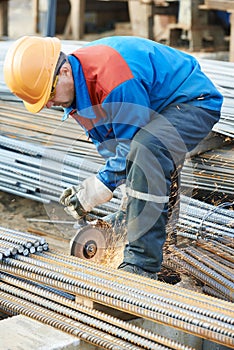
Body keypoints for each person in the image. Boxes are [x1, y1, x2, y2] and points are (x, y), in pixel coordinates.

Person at [4, 35, 223, 280]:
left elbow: (130, 147)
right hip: (157, 108)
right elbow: (113, 146)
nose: (48, 103)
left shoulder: (112, 78)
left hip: (194, 102)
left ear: (64, 71)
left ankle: (141, 266)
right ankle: (164, 256)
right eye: (43, 100)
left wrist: (98, 187)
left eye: (49, 94)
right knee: (145, 161)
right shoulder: (79, 90)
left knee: (147, 149)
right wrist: (127, 199)